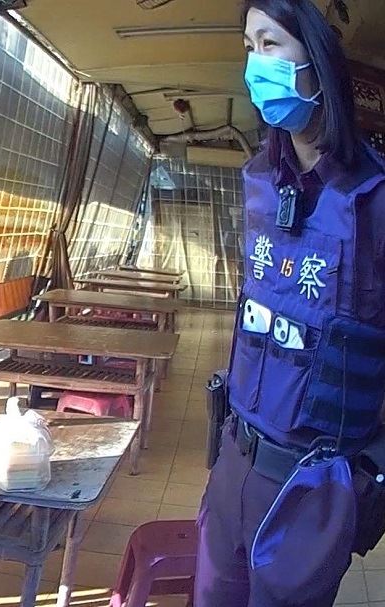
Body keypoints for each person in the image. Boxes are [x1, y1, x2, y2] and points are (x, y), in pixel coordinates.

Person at [196, 1, 385, 605]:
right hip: (234, 460)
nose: (256, 64)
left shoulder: (375, 198)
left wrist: (371, 475)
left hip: (312, 487)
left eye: (270, 44)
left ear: (317, 62)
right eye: (249, 48)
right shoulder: (259, 180)